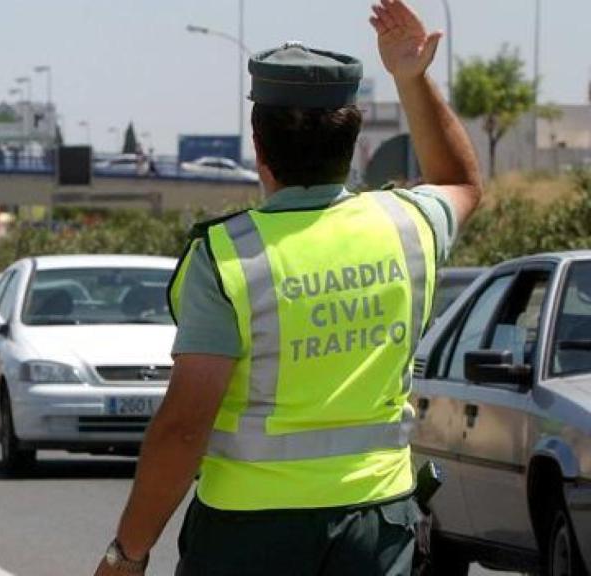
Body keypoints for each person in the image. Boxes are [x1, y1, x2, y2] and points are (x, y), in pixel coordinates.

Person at [94, 1, 482, 574]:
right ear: (350, 142)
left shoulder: (227, 257)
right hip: (377, 527)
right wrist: (411, 79)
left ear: (258, 142)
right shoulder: (408, 226)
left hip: (251, 532)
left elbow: (182, 430)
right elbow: (459, 181)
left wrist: (127, 554)